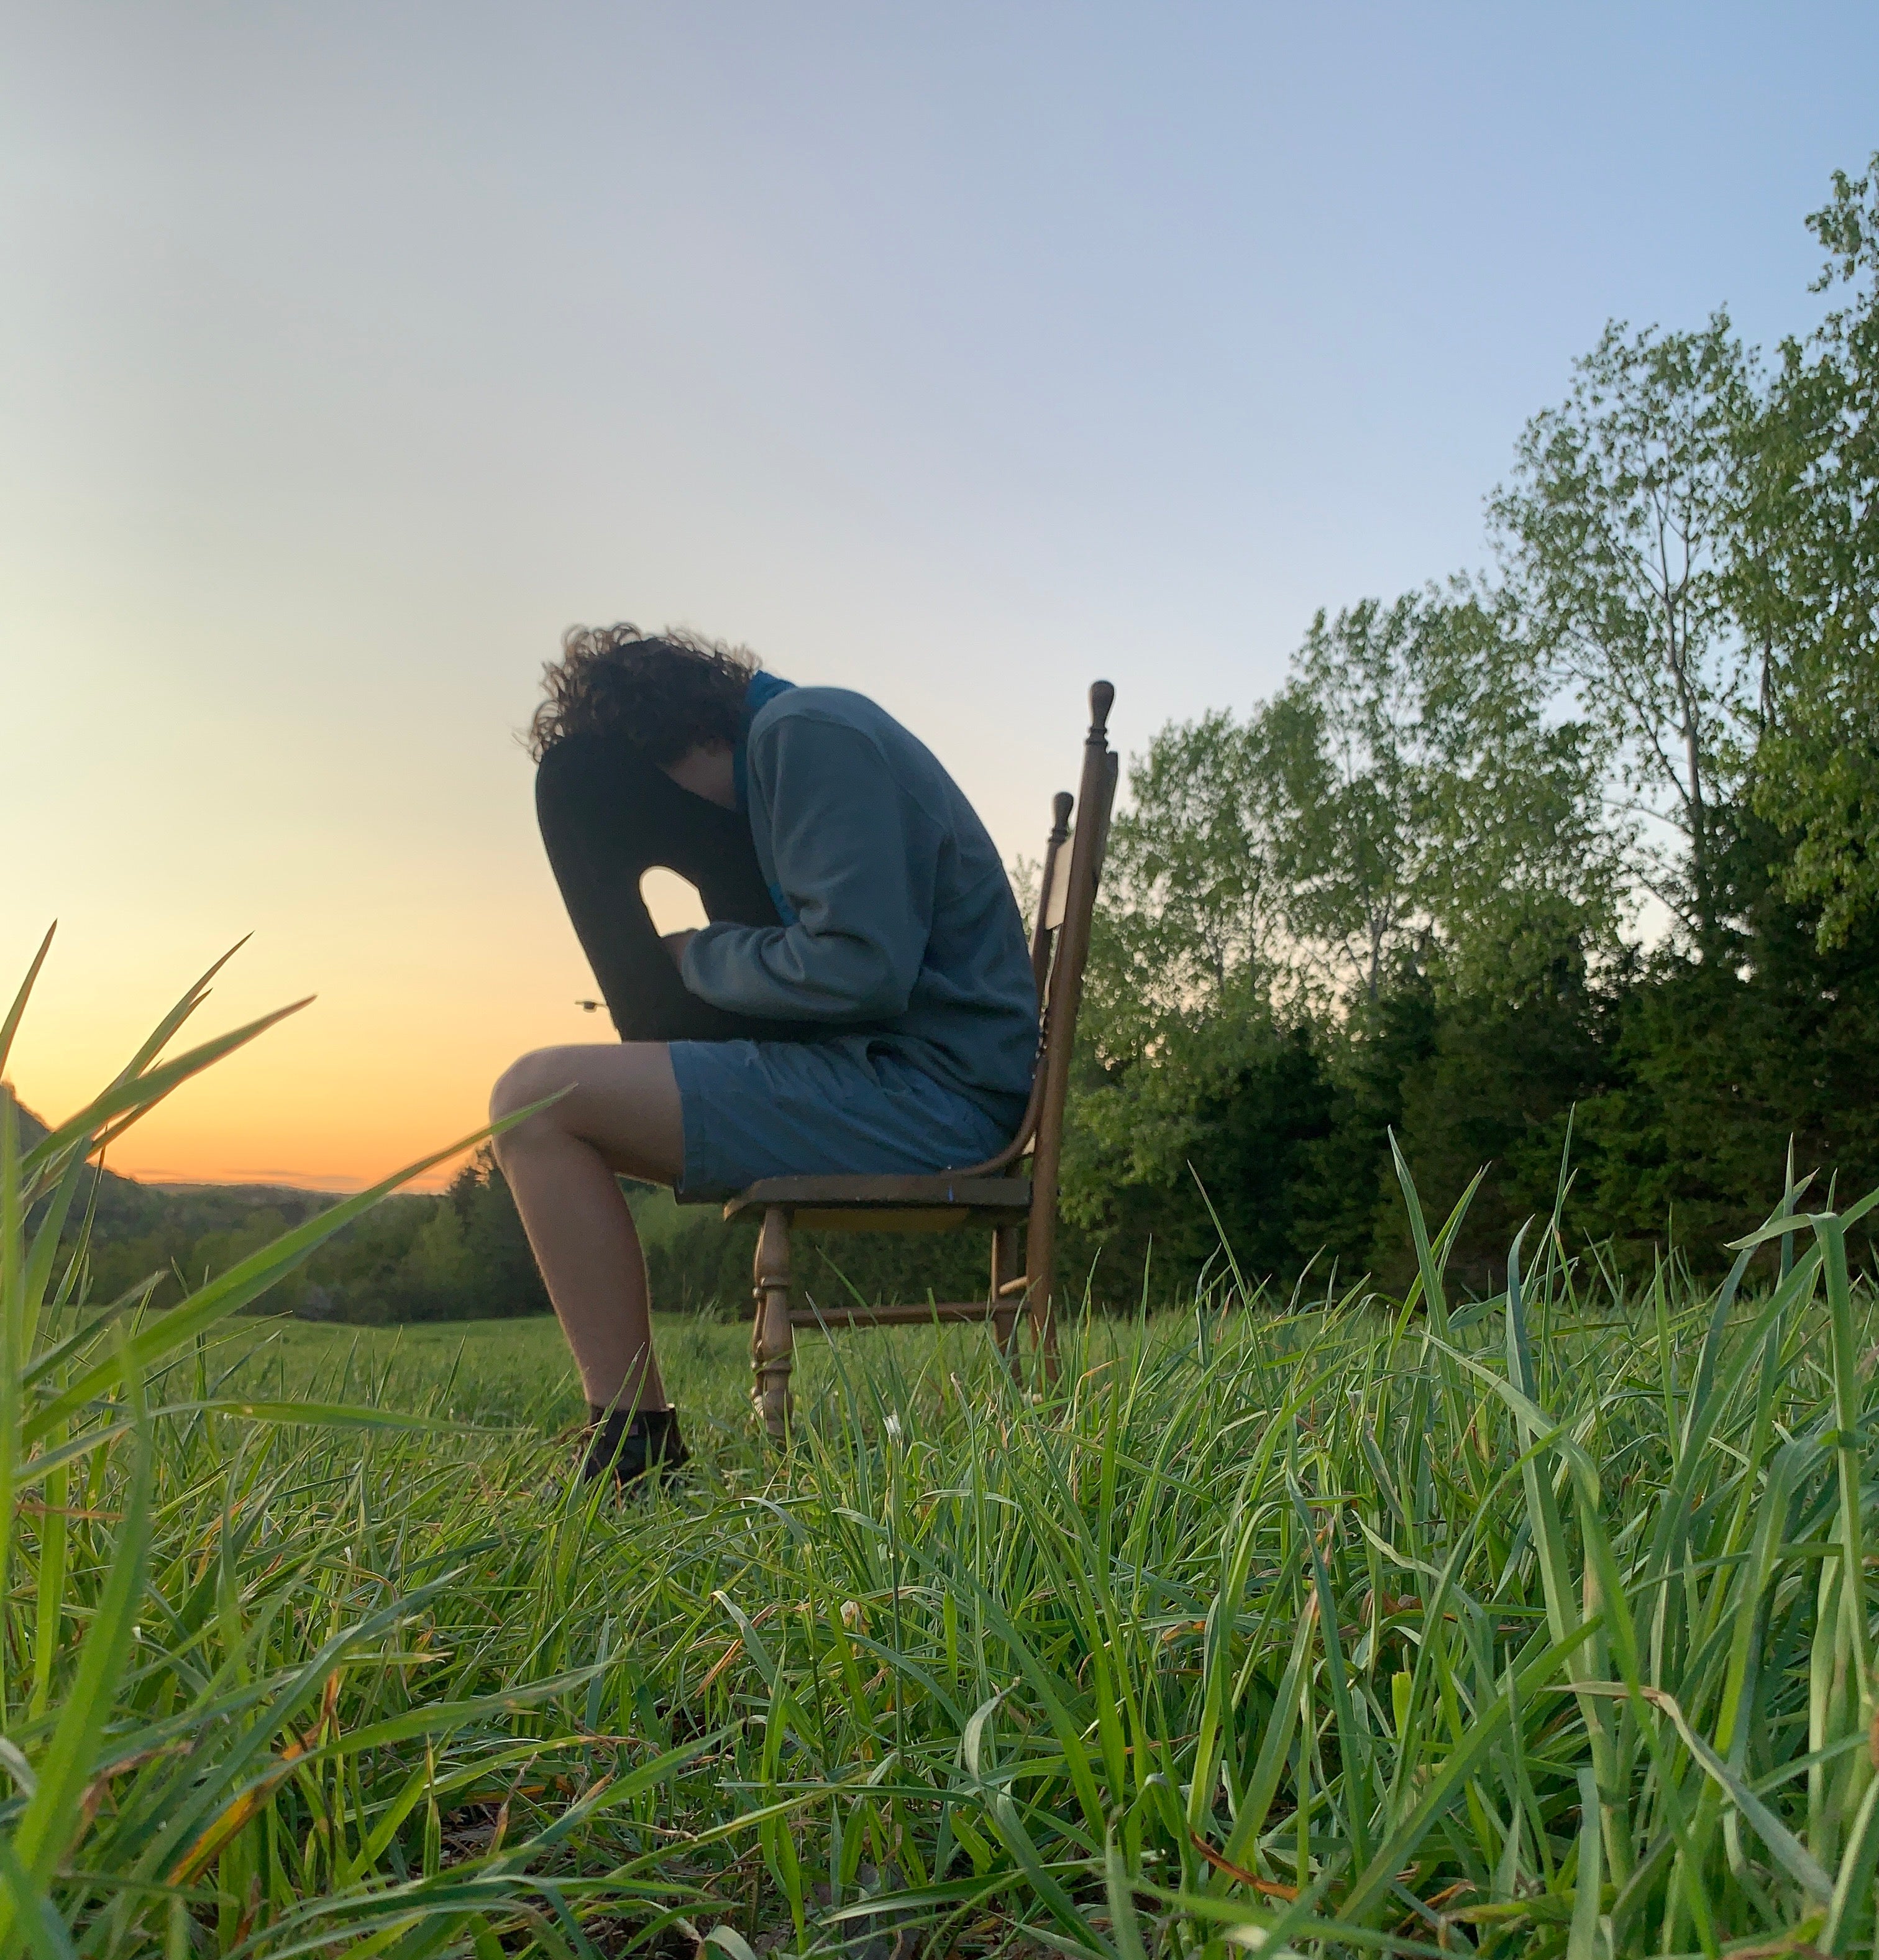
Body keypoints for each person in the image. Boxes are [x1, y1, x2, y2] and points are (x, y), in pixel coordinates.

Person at [491, 625, 1039, 1488]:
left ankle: (634, 1453)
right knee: (543, 1100)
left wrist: (698, 954)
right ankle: (634, 1439)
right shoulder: (805, 732)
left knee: (536, 1101)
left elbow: (862, 964)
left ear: (660, 746)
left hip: (931, 1095)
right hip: (919, 1076)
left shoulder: (804, 735)